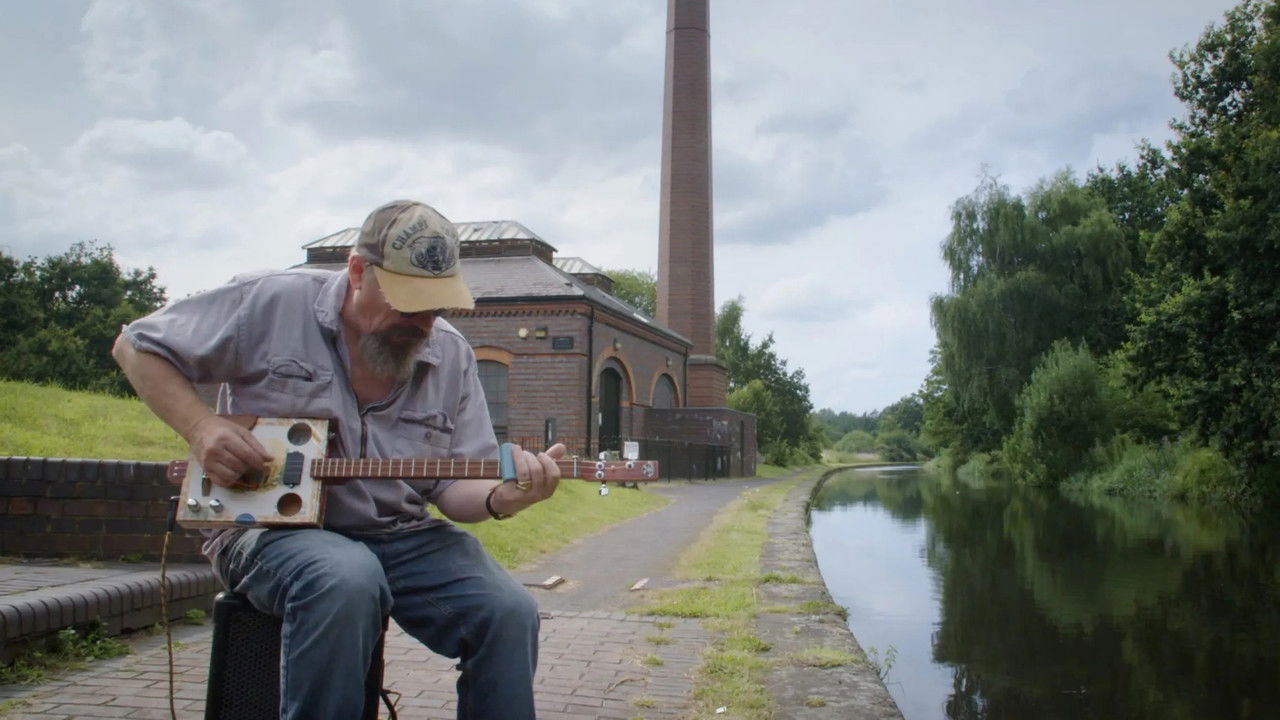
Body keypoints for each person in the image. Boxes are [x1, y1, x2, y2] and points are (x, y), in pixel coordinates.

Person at [112, 199, 563, 719]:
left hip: (399, 536)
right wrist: (201, 426)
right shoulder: (270, 302)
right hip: (265, 532)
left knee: (508, 612)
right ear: (356, 271)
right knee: (345, 577)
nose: (422, 322)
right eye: (408, 301)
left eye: (436, 306)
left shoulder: (452, 355)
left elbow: (453, 490)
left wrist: (503, 497)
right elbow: (135, 345)